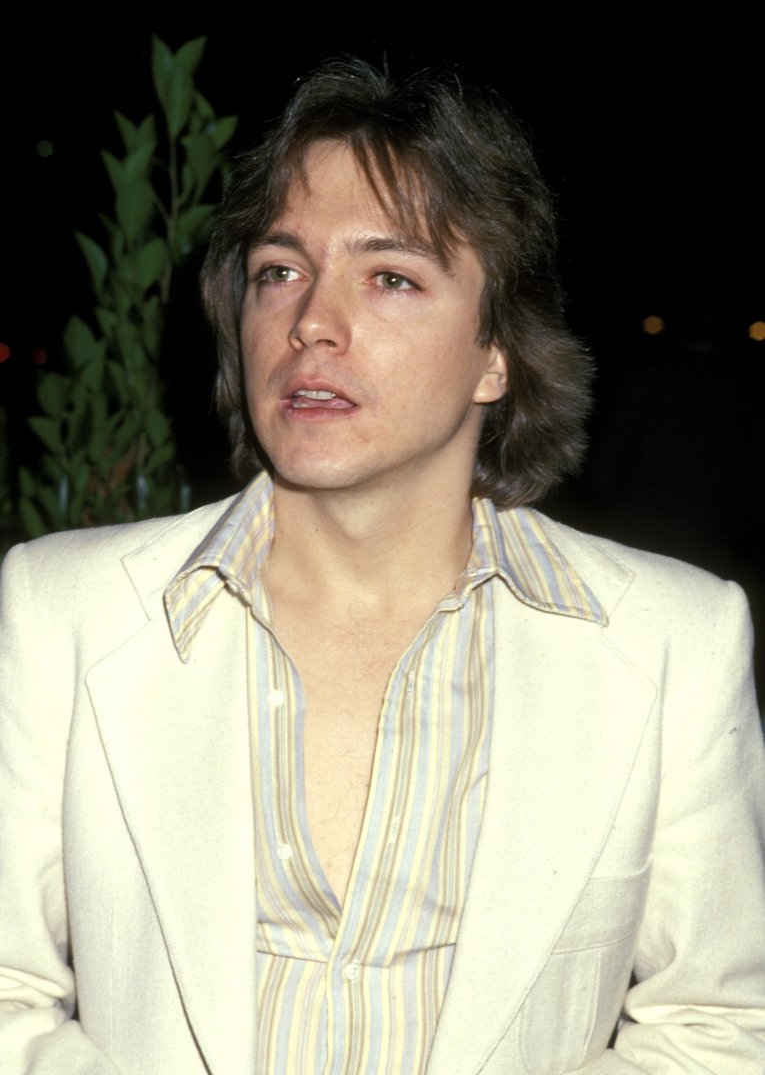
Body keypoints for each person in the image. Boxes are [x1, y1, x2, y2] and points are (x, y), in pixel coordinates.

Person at [1, 58, 764, 1075]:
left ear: (497, 353)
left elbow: (716, 1027)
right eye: (279, 271)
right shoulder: (65, 612)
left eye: (391, 277)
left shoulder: (671, 643)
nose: (311, 322)